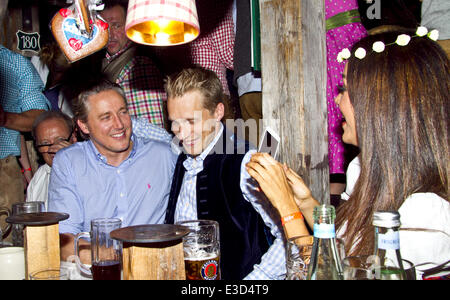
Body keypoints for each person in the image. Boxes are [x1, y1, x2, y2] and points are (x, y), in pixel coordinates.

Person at [246, 30, 449, 279]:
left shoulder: (424, 214)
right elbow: (347, 250)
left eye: (345, 89)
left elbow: (328, 275)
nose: (337, 100)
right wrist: (305, 203)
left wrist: (287, 209)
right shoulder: (360, 168)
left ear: (380, 105)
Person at [164, 67, 286, 280]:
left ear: (217, 112)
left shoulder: (245, 162)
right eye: (175, 122)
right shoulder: (183, 159)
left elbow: (289, 236)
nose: (182, 133)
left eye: (191, 121)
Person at [48, 80, 177, 263]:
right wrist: (120, 257)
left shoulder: (164, 155)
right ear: (84, 126)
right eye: (106, 117)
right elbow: (64, 241)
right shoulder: (69, 162)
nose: (119, 124)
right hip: (95, 272)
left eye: (123, 112)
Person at [0, 44, 50, 241]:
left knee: (7, 252)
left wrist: (5, 119)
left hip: (3, 171)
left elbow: (39, 117)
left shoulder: (13, 64)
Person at [100, 0, 167, 128]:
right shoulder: (107, 60)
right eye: (104, 26)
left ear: (129, 27)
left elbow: (153, 129)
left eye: (116, 25)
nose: (109, 34)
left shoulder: (140, 66)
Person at [27, 111, 77, 208]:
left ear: (73, 138)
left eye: (60, 140)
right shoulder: (40, 177)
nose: (53, 147)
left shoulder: (90, 172)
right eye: (45, 143)